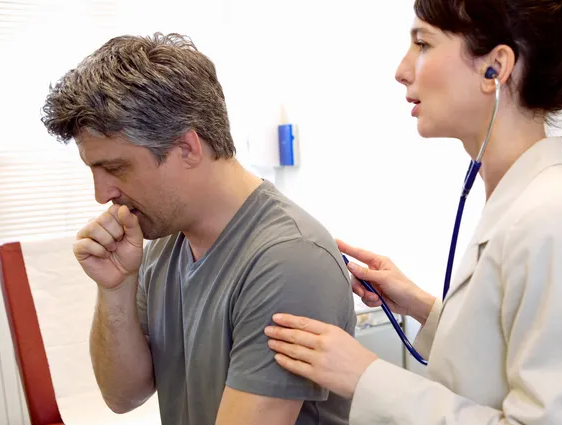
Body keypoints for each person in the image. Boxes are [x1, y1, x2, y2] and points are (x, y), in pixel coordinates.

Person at [264, 0, 562, 424]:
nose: (402, 70)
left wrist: (365, 376)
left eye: (423, 44)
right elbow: (501, 358)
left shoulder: (552, 217)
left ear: (495, 68)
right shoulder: (524, 206)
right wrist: (423, 308)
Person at [40, 32, 357, 425]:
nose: (101, 194)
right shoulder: (163, 242)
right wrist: (115, 288)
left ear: (187, 148)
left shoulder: (289, 260)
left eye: (116, 168)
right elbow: (123, 396)